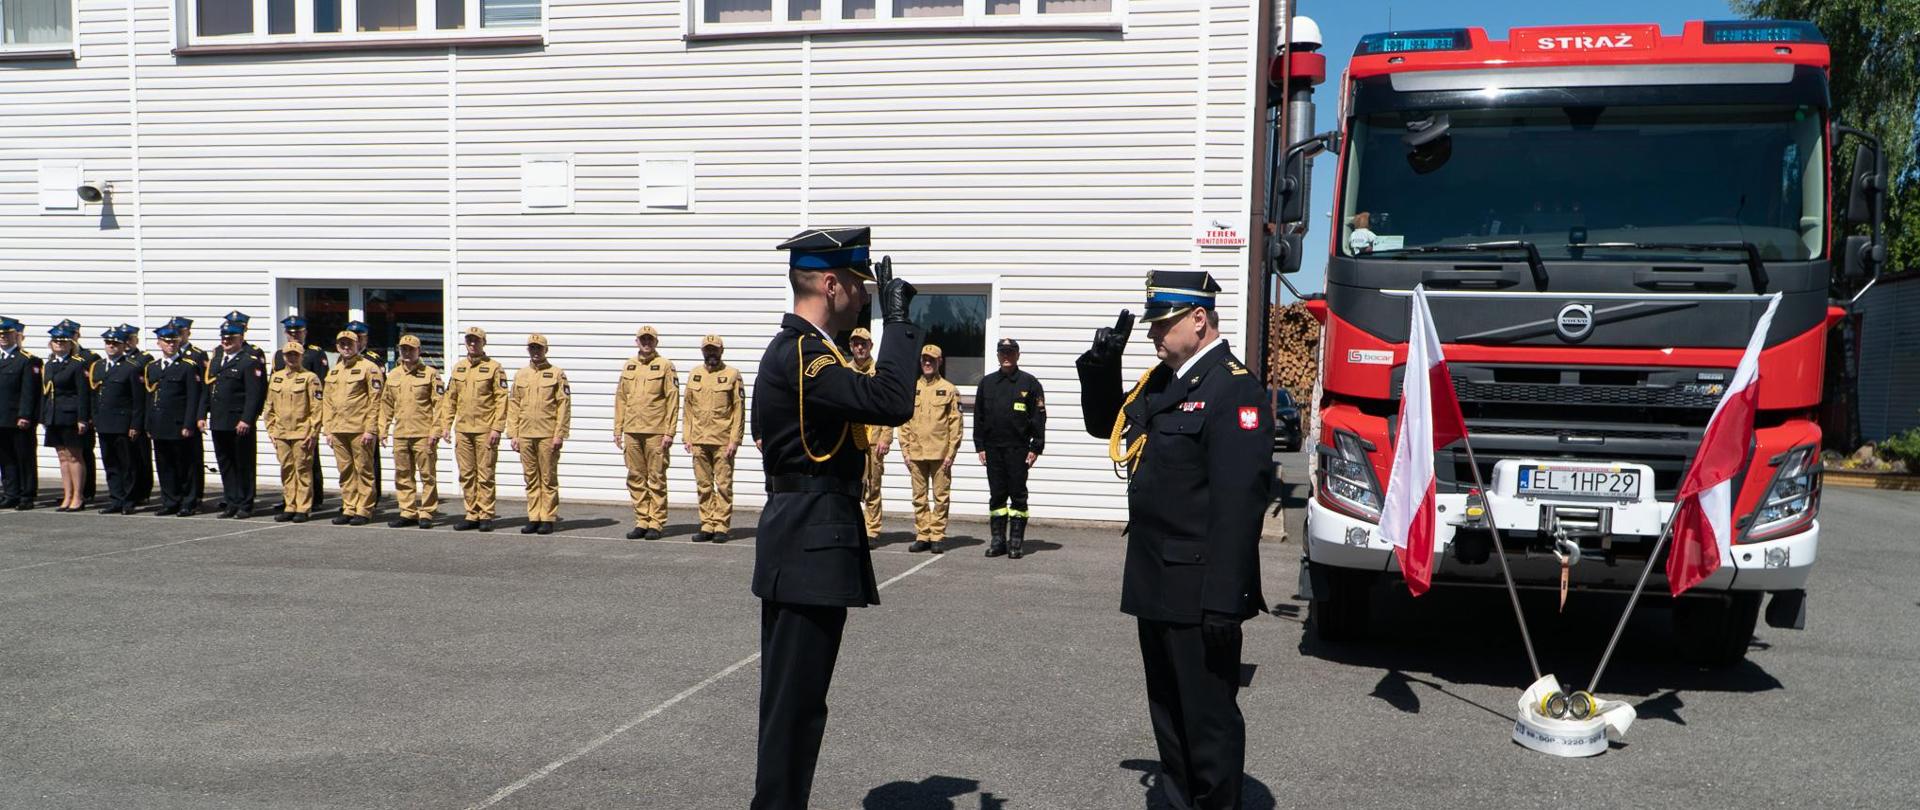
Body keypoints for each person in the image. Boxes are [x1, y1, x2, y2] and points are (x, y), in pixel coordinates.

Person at [1076, 270, 1271, 810]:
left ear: (1199, 319)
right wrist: (1101, 369)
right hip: (1156, 581)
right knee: (1168, 719)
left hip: (1199, 591)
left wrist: (1225, 602)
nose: (1152, 334)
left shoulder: (1233, 388)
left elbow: (1238, 507)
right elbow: (1106, 425)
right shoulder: (1165, 382)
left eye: (1163, 323)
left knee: (1207, 727)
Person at [749, 226, 921, 809]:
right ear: (831, 283)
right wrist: (899, 326)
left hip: (803, 539)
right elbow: (893, 402)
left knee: (798, 705)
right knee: (795, 707)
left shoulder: (804, 352)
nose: (864, 295)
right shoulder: (805, 354)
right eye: (858, 284)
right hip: (808, 544)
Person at [973, 337, 1047, 559]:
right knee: (997, 497)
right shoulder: (987, 383)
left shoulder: (1030, 383)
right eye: (1003, 352)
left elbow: (1039, 418)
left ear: (1017, 355)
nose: (1006, 356)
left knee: (1017, 496)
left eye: (1010, 352)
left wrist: (1036, 447)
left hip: (1018, 450)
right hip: (993, 449)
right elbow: (979, 418)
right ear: (997, 355)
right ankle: (998, 541)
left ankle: (1015, 543)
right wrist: (980, 447)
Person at [614, 325, 678, 540]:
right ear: (637, 342)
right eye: (643, 339)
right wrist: (618, 429)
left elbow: (672, 400)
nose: (647, 343)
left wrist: (669, 432)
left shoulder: (665, 366)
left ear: (656, 342)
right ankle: (642, 520)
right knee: (635, 477)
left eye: (650, 339)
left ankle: (656, 523)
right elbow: (621, 399)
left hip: (655, 431)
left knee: (656, 478)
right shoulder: (629, 366)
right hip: (632, 430)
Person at [442, 327, 508, 532]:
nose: (472, 344)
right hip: (463, 429)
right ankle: (472, 513)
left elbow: (501, 399)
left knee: (485, 474)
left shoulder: (494, 368)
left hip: (485, 429)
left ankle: (486, 514)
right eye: (469, 340)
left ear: (483, 343)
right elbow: (450, 399)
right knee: (467, 474)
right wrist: (446, 425)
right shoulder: (458, 368)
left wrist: (497, 428)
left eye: (476, 341)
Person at [897, 344, 962, 554]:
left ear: (939, 362)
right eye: (924, 359)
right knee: (919, 497)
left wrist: (951, 453)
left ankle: (937, 536)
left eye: (932, 359)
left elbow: (956, 424)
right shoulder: (911, 388)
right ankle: (922, 535)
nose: (927, 362)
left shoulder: (950, 390)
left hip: (941, 453)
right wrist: (905, 452)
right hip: (916, 453)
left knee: (941, 497)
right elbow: (904, 422)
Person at [681, 334, 744, 543]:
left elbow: (738, 410)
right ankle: (707, 524)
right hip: (699, 439)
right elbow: (688, 408)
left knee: (724, 486)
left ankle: (721, 527)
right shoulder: (695, 374)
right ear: (702, 352)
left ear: (721, 351)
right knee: (704, 485)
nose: (711, 353)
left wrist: (735, 440)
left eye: (714, 350)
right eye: (708, 350)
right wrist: (687, 436)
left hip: (722, 440)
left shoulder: (732, 374)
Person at [203, 317, 267, 519]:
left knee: (243, 464)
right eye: (224, 338)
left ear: (241, 339)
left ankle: (245, 504)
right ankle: (231, 501)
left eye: (231, 338)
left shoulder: (249, 361)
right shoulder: (216, 360)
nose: (226, 341)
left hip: (239, 422)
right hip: (219, 421)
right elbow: (209, 391)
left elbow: (254, 394)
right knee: (226, 463)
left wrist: (247, 419)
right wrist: (201, 416)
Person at [506, 334, 570, 536]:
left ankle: (548, 518)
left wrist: (559, 434)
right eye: (532, 348)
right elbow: (514, 405)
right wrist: (513, 433)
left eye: (539, 348)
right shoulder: (521, 375)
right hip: (525, 433)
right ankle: (534, 517)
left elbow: (563, 406)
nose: (535, 351)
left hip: (547, 434)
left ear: (546, 350)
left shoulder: (556, 374)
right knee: (531, 478)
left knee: (548, 478)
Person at [381, 334, 442, 529]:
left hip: (423, 433)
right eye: (403, 349)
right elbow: (386, 404)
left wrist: (436, 431)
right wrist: (382, 429)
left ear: (419, 351)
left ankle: (427, 512)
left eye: (411, 349)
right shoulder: (393, 375)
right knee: (403, 474)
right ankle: (407, 512)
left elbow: (440, 405)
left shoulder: (430, 374)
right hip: (401, 433)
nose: (407, 353)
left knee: (427, 475)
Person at [323, 330, 384, 526]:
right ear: (337, 347)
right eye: (342, 344)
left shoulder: (369, 367)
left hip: (360, 429)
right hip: (339, 429)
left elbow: (376, 401)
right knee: (346, 471)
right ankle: (349, 507)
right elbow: (327, 402)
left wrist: (371, 429)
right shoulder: (334, 370)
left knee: (364, 470)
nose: (346, 347)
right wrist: (328, 430)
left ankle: (364, 509)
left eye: (350, 343)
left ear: (358, 345)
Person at [145, 325, 206, 517]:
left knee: (185, 465)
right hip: (159, 423)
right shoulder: (153, 367)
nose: (170, 345)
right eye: (167, 342)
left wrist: (189, 424)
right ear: (159, 343)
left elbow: (193, 397)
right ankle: (170, 500)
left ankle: (188, 502)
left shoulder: (187, 366)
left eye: (174, 342)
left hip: (180, 424)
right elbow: (149, 398)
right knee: (165, 464)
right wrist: (148, 424)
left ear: (179, 342)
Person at [261, 343, 322, 523]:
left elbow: (317, 408)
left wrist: (313, 433)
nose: (291, 358)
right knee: (286, 470)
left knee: (302, 470)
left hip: (302, 433)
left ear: (301, 356)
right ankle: (290, 505)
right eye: (288, 355)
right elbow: (269, 406)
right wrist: (271, 430)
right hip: (281, 433)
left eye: (295, 355)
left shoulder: (310, 378)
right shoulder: (277, 378)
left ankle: (303, 507)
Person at [276, 315, 330, 510]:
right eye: (290, 332)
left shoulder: (314, 354)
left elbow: (322, 386)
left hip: (305, 417)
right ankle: (290, 500)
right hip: (286, 420)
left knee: (308, 462)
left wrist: (315, 421)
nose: (294, 335)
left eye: (298, 332)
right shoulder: (278, 355)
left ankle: (313, 498)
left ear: (305, 332)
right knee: (288, 465)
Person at [92, 327, 148, 515]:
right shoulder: (98, 366)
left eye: (116, 344)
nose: (111, 347)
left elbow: (138, 400)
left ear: (124, 346)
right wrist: (95, 418)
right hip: (104, 422)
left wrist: (135, 425)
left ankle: (129, 500)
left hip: (123, 424)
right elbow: (95, 395)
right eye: (109, 343)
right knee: (110, 463)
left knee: (127, 464)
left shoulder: (131, 367)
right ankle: (115, 498)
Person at [845, 328, 892, 543]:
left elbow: (887, 408)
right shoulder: (844, 371)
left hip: (874, 439)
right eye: (856, 344)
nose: (860, 348)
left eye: (864, 344)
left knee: (873, 486)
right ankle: (853, 526)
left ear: (871, 346)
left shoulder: (879, 372)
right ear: (851, 347)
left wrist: (885, 437)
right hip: (851, 439)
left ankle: (872, 530)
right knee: (851, 484)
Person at [42, 323, 94, 512]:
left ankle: (78, 496)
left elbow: (82, 393)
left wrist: (82, 418)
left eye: (63, 342)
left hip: (71, 415)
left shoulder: (77, 364)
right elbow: (46, 393)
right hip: (54, 416)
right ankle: (67, 495)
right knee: (62, 457)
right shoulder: (49, 364)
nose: (59, 345)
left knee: (74, 457)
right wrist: (44, 416)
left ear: (71, 344)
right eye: (56, 341)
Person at [166, 316, 209, 508]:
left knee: (192, 458)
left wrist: (200, 415)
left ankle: (195, 494)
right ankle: (177, 496)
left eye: (180, 331)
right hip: (171, 417)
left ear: (188, 332)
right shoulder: (167, 357)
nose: (177, 335)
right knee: (174, 459)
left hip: (190, 414)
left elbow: (202, 389)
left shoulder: (197, 355)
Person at [0, 317, 42, 510]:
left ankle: (26, 494)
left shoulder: (26, 360)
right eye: (1, 335)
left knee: (24, 457)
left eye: (7, 334)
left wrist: (25, 415)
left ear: (16, 336)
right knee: (5, 457)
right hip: (1, 418)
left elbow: (29, 392)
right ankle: (11, 493)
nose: (3, 338)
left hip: (18, 417)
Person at [345, 320, 385, 505]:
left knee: (369, 461)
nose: (355, 341)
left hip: (366, 418)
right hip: (347, 420)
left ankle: (372, 498)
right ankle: (353, 499)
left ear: (365, 339)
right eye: (353, 338)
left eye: (359, 338)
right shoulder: (342, 359)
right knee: (350, 463)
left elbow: (379, 393)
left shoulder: (373, 359)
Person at [117, 323, 155, 509]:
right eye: (123, 340)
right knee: (125, 458)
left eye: (129, 339)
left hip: (138, 413)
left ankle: (143, 491)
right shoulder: (117, 360)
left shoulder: (144, 359)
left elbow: (146, 391)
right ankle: (127, 491)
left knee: (141, 456)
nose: (126, 343)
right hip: (121, 416)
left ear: (136, 340)